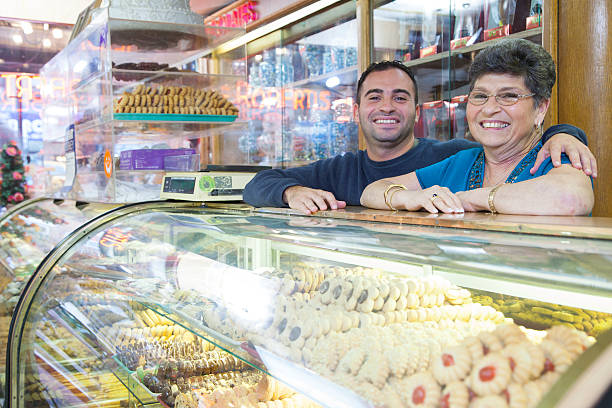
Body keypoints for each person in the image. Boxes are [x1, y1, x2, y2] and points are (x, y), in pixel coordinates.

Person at [243, 59, 596, 215]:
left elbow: (565, 193)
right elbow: (257, 185)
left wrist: (563, 132)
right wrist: (292, 192)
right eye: (374, 97)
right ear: (355, 111)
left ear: (417, 110)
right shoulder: (338, 169)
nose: (387, 107)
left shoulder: (451, 154)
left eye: (400, 97)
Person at [360, 39, 593, 216]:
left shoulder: (556, 155)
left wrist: (469, 199)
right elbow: (371, 192)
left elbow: (570, 199)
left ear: (541, 108)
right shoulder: (463, 161)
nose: (490, 109)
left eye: (509, 96)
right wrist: (409, 197)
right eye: (480, 96)